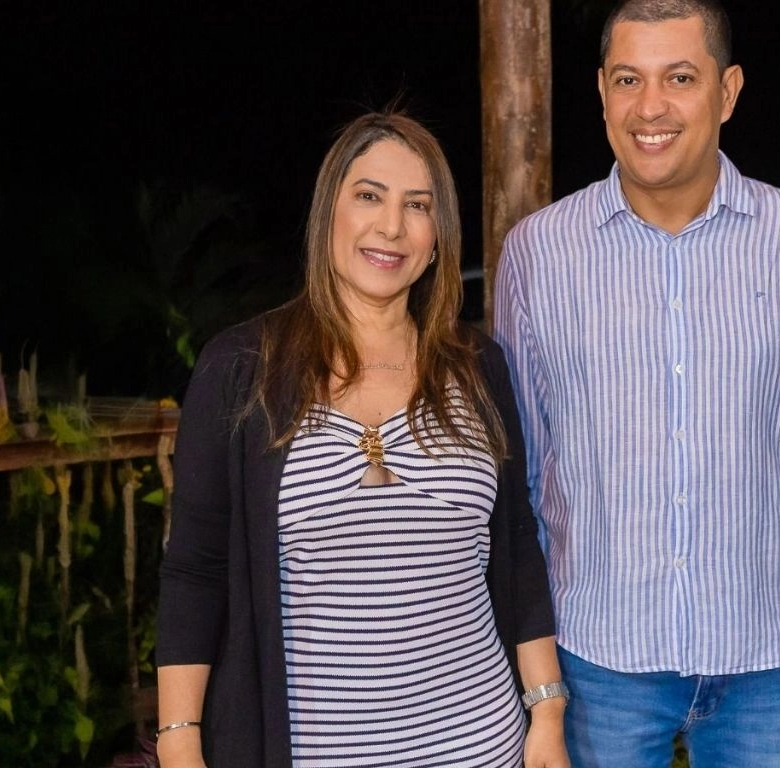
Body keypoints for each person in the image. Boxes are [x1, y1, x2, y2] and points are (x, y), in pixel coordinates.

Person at [492, 1, 780, 765]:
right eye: (628, 79)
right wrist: (530, 652)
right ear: (603, 93)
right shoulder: (538, 256)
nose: (651, 106)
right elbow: (526, 470)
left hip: (774, 657)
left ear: (728, 91)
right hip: (597, 658)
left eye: (679, 77)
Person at [156, 112, 570, 768]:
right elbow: (195, 568)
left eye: (418, 205)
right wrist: (179, 739)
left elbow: (516, 545)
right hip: (312, 752)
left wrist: (546, 711)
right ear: (329, 214)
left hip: (479, 742)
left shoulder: (478, 365)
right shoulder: (242, 368)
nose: (391, 226)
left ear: (437, 239)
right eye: (370, 196)